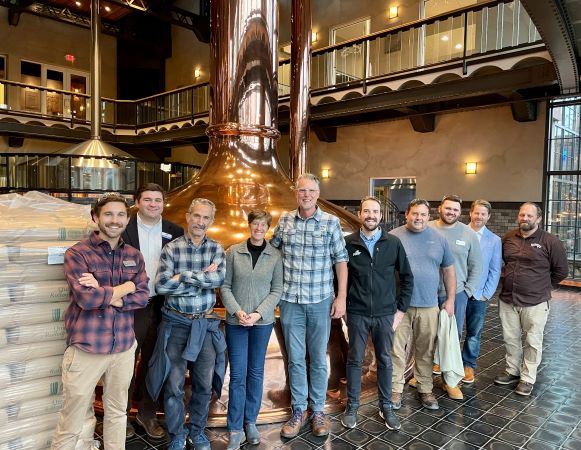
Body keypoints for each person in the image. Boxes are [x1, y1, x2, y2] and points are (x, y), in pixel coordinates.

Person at [51, 192, 149, 450]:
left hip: (124, 348)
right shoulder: (78, 253)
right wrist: (125, 286)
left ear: (127, 219)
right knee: (71, 419)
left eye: (120, 215)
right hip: (87, 347)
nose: (114, 220)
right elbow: (87, 299)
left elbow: (143, 297)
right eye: (108, 214)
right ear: (95, 217)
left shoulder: (134, 256)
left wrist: (107, 291)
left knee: (117, 413)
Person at [271, 173, 348, 438]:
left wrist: (341, 298)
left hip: (320, 301)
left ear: (318, 194)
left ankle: (317, 411)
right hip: (291, 302)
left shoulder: (330, 222)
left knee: (317, 359)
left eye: (311, 191)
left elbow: (340, 261)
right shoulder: (284, 221)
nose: (306, 195)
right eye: (302, 190)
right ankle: (298, 410)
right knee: (295, 360)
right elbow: (271, 253)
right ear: (296, 193)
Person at [146, 198, 226, 450]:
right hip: (175, 324)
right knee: (173, 385)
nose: (200, 222)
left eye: (206, 218)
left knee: (204, 384)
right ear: (188, 217)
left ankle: (198, 432)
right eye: (196, 216)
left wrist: (183, 277)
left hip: (204, 326)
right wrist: (202, 276)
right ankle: (178, 435)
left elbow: (218, 279)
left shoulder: (216, 249)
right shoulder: (172, 249)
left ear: (211, 221)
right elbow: (161, 286)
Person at [341, 196, 413, 431]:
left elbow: (407, 278)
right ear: (359, 214)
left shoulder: (392, 243)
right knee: (354, 360)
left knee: (384, 359)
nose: (371, 215)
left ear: (381, 216)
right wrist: (343, 303)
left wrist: (400, 310)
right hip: (357, 312)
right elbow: (339, 278)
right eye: (366, 211)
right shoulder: (348, 243)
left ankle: (386, 405)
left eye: (375, 211)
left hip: (385, 314)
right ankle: (352, 405)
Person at [121, 183, 183, 439]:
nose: (153, 204)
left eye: (158, 200)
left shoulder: (174, 231)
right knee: (123, 364)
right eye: (148, 199)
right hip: (129, 306)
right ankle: (120, 417)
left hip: (161, 305)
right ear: (137, 202)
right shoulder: (123, 229)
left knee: (154, 363)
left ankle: (146, 414)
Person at [221, 209, 283, 449]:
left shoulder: (274, 256)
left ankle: (250, 422)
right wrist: (238, 312)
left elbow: (276, 289)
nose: (259, 228)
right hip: (236, 323)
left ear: (267, 228)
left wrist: (258, 314)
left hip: (262, 323)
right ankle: (235, 427)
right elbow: (225, 287)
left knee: (255, 373)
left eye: (263, 225)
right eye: (255, 224)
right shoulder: (233, 253)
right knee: (237, 375)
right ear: (249, 225)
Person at [494, 202, 568, 396]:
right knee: (510, 339)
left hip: (535, 301)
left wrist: (543, 285)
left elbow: (561, 271)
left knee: (533, 341)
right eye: (522, 215)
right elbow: (502, 261)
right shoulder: (509, 238)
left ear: (539, 219)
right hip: (508, 298)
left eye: (529, 216)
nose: (525, 218)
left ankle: (527, 377)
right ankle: (512, 370)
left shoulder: (550, 241)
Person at [389, 199, 456, 411]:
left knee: (425, 350)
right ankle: (395, 389)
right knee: (396, 349)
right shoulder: (393, 237)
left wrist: (450, 299)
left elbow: (449, 271)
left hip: (429, 305)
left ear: (429, 216)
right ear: (406, 214)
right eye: (414, 214)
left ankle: (425, 388)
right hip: (400, 307)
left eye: (423, 215)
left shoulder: (439, 238)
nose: (418, 218)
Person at [428, 194, 482, 400]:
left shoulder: (468, 234)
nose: (451, 212)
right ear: (440, 208)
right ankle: (422, 375)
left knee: (452, 337)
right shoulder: (428, 227)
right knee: (426, 335)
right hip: (428, 293)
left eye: (455, 210)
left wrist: (467, 292)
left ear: (461, 213)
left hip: (457, 294)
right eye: (447, 208)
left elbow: (477, 265)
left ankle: (450, 380)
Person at [462, 200, 501, 384]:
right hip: (458, 292)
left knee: (473, 332)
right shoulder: (459, 232)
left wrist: (486, 293)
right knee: (449, 330)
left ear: (488, 217)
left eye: (483, 214)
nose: (479, 217)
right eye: (476, 213)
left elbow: (495, 270)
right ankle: (445, 362)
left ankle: (468, 365)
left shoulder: (494, 240)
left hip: (478, 295)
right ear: (471, 213)